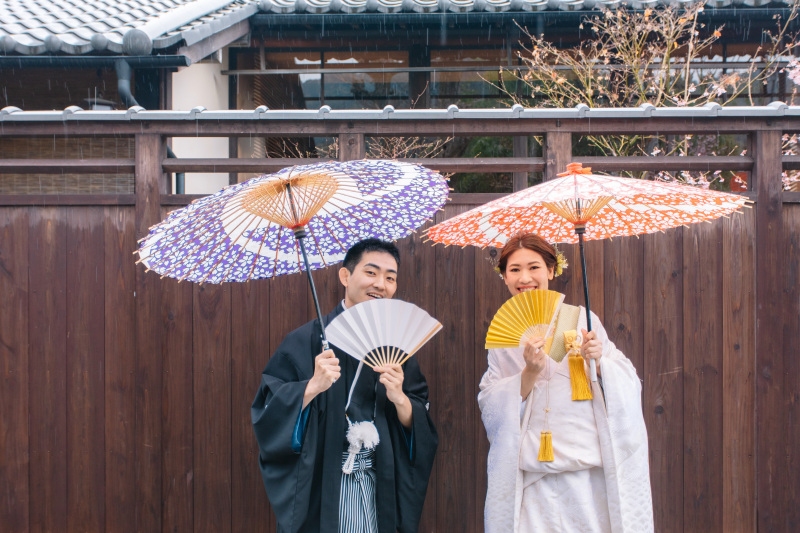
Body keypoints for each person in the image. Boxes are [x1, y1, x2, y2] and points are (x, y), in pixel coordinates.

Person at [252, 238, 438, 533]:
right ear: (345, 276)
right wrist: (312, 387)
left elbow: (420, 423)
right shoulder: (305, 341)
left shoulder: (397, 345)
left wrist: (400, 398)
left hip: (380, 484)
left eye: (390, 278)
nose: (381, 284)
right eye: (371, 273)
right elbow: (268, 412)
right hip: (324, 482)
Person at [478, 232, 653, 533]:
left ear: (551, 270)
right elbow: (491, 403)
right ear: (504, 276)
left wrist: (599, 363)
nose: (525, 277)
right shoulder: (503, 340)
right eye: (514, 269)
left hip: (586, 467)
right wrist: (529, 373)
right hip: (533, 472)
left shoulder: (583, 320)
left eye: (534, 267)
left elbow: (627, 380)